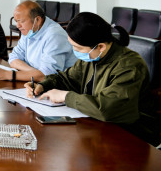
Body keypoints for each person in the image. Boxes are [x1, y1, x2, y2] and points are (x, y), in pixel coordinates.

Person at [26, 12, 161, 147]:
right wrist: (43, 85)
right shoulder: (92, 57)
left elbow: (108, 108)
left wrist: (66, 96)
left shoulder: (130, 66)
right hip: (98, 126)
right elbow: (68, 78)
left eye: (78, 48)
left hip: (131, 135)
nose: (75, 51)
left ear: (101, 46)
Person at [0, 1, 75, 82]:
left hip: (63, 86)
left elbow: (48, 76)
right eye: (16, 21)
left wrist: (10, 75)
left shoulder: (55, 35)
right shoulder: (30, 30)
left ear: (37, 20)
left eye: (21, 21)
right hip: (38, 82)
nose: (18, 26)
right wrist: (35, 73)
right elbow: (13, 58)